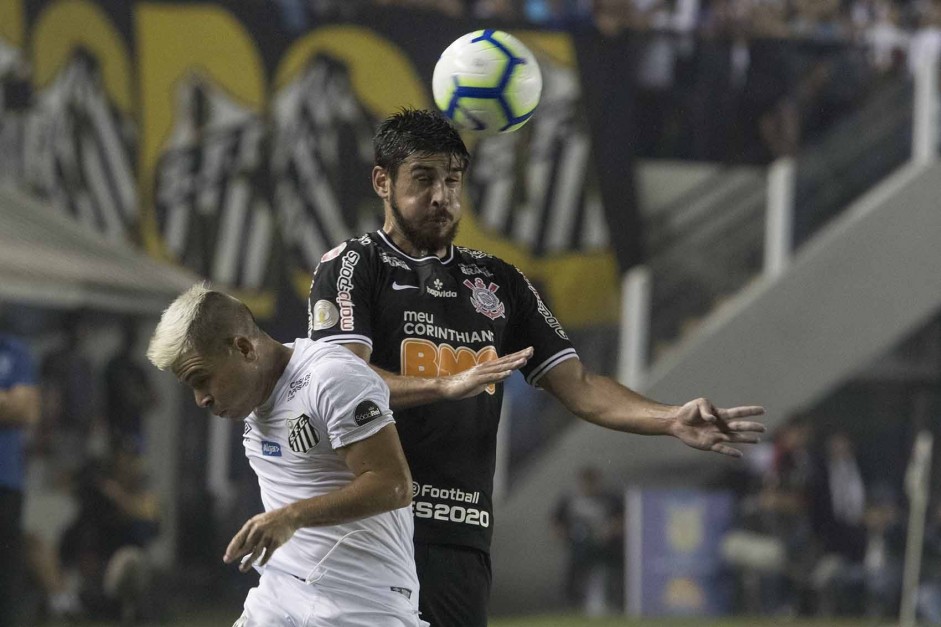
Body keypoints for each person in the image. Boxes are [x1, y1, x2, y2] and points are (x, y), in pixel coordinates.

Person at [307, 107, 766, 627]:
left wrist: (669, 418)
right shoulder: (352, 265)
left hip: (461, 538)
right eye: (423, 179)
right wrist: (443, 383)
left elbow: (582, 386)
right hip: (370, 527)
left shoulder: (499, 282)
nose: (442, 196)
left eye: (453, 180)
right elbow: (339, 383)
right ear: (382, 182)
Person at [146, 283, 427, 627]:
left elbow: (394, 485)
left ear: (245, 349)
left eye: (202, 379)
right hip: (280, 596)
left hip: (363, 604)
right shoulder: (251, 400)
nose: (201, 399)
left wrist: (292, 516)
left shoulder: (330, 377)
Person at [0, 323, 41, 626]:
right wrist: (6, 400)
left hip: (6, 478)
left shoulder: (15, 352)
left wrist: (15, 405)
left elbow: (26, 411)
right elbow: (14, 405)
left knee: (5, 570)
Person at [551, 466, 623, 617]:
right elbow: (556, 522)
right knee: (574, 575)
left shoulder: (609, 498)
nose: (588, 487)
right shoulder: (570, 499)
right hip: (579, 546)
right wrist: (566, 534)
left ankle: (613, 603)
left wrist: (610, 530)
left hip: (605, 547)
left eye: (592, 483)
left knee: (610, 573)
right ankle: (573, 606)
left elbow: (621, 519)